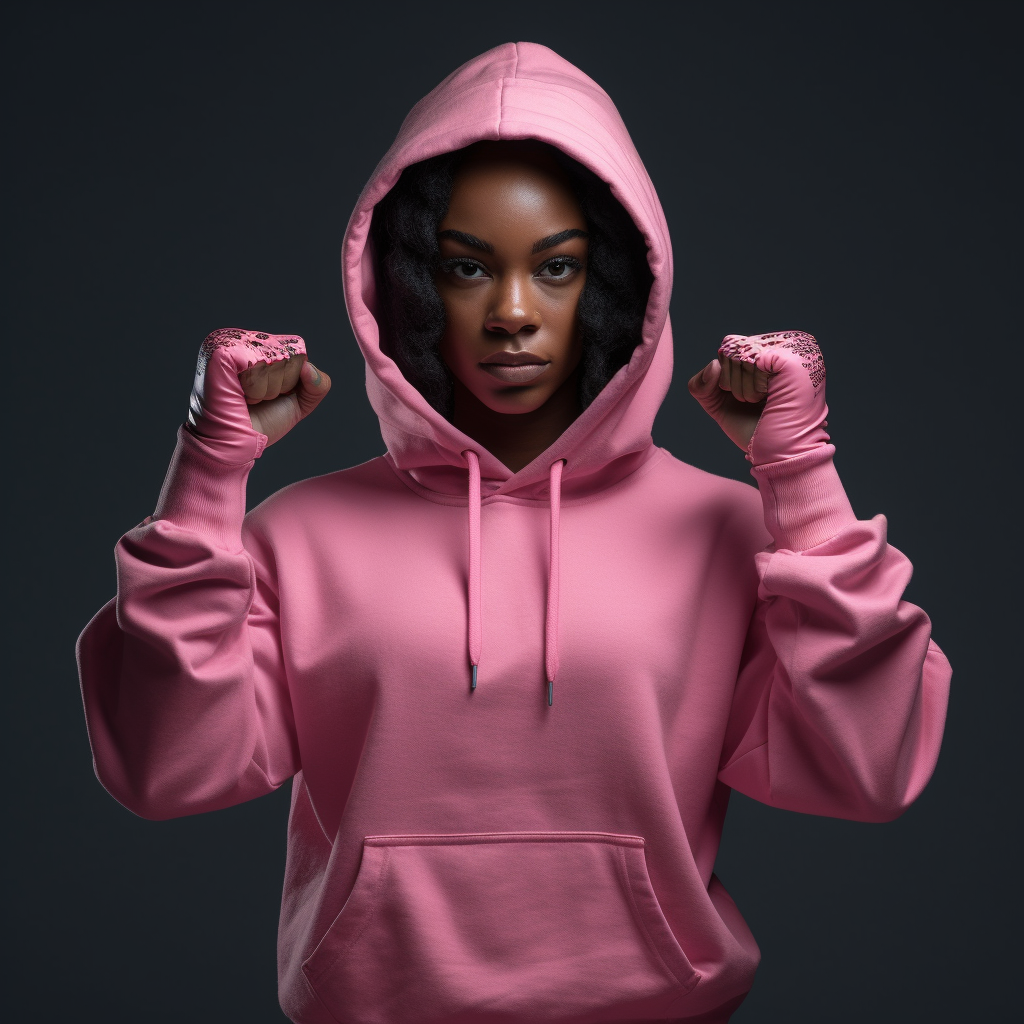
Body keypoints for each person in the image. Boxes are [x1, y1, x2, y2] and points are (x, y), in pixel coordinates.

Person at [76, 42, 951, 1024]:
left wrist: (800, 473)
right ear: (409, 283)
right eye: (466, 268)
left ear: (614, 284)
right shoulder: (300, 535)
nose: (512, 315)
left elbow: (865, 772)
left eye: (558, 267)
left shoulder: (733, 530)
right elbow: (164, 769)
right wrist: (207, 470)